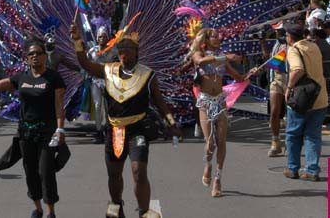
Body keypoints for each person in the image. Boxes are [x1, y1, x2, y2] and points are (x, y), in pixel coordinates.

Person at [70, 24, 181, 218]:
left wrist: (171, 123)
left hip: (137, 129)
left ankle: (144, 211)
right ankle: (116, 206)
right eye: (120, 49)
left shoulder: (147, 74)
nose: (123, 52)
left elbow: (159, 101)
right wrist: (78, 41)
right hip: (115, 131)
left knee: (138, 171)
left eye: (127, 49)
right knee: (114, 173)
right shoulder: (108, 71)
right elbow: (85, 64)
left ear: (136, 52)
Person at [0, 37, 66, 218]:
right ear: (26, 58)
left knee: (45, 171)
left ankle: (51, 212)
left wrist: (60, 129)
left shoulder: (53, 78)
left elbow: (58, 105)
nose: (34, 56)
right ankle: (38, 208)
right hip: (26, 133)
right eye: (31, 54)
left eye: (38, 53)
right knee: (30, 170)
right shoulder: (21, 77)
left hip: (47, 132)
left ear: (44, 56)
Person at [188, 28, 245, 197]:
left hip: (220, 100)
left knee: (222, 141)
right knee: (210, 142)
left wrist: (248, 74)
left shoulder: (222, 59)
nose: (218, 39)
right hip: (205, 101)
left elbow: (237, 76)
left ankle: (218, 179)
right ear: (206, 38)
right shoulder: (199, 53)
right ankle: (208, 165)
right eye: (214, 36)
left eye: (219, 37)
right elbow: (201, 62)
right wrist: (225, 57)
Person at [282, 22, 328, 181]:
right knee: (313, 135)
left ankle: (292, 167)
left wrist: (289, 87)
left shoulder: (294, 50)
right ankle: (312, 170)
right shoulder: (313, 46)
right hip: (319, 96)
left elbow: (298, 69)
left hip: (301, 98)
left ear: (289, 37)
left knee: (293, 133)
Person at [250, 24, 289, 157]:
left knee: (289, 114)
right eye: (276, 31)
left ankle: (290, 142)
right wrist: (262, 43)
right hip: (276, 79)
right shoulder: (276, 44)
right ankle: (275, 141)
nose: (277, 33)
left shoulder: (292, 42)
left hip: (289, 78)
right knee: (273, 112)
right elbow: (270, 59)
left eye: (279, 31)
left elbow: (283, 60)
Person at [87, 26, 118, 144]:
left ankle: (109, 130)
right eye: (100, 36)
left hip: (109, 81)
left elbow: (118, 65)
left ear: (108, 38)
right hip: (95, 81)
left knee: (108, 107)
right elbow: (86, 65)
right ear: (96, 37)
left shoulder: (113, 51)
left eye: (104, 37)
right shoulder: (92, 52)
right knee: (97, 105)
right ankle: (98, 131)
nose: (102, 39)